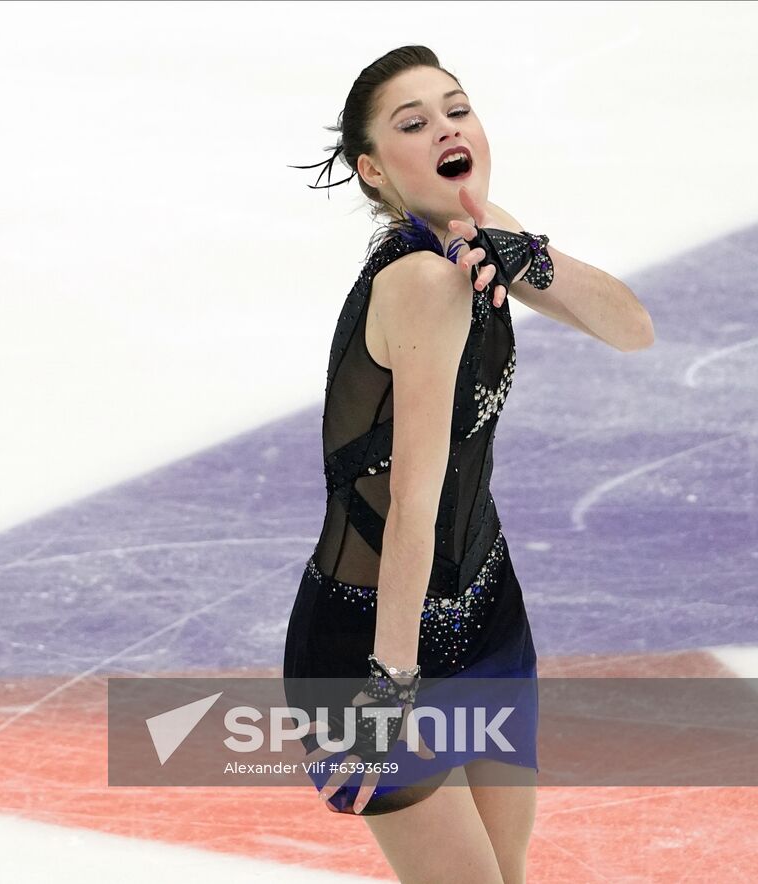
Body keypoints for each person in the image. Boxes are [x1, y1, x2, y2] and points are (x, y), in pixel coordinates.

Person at [281, 46, 654, 884]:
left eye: (457, 108)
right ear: (374, 170)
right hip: (373, 639)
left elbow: (634, 329)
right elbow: (412, 501)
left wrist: (534, 258)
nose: (447, 127)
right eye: (414, 123)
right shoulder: (424, 282)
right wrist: (389, 686)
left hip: (485, 610)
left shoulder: (486, 241)